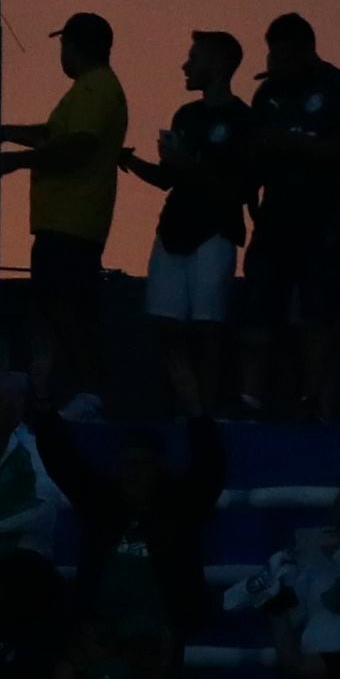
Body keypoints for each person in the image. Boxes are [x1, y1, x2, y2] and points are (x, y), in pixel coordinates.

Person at [0, 13, 126, 414]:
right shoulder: (85, 91)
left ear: (77, 46)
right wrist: (4, 132)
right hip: (61, 222)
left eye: (65, 46)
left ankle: (89, 392)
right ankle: (73, 390)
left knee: (67, 309)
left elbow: (78, 147)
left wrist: (17, 161)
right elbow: (54, 134)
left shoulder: (97, 89)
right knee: (55, 308)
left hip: (73, 223)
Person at [114, 30, 253, 417]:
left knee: (208, 327)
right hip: (173, 230)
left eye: (194, 57)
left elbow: (238, 187)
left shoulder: (243, 120)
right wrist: (130, 161)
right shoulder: (186, 115)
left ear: (221, 64)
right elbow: (167, 178)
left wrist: (189, 165)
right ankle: (184, 407)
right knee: (166, 326)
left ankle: (206, 412)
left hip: (215, 231)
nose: (185, 65)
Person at [238, 12, 340, 419]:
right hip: (275, 216)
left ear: (306, 50)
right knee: (259, 309)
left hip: (322, 217)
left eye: (284, 56)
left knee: (319, 315)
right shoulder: (268, 93)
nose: (277, 66)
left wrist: (285, 143)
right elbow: (255, 152)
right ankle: (251, 399)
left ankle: (317, 401)